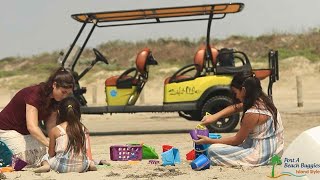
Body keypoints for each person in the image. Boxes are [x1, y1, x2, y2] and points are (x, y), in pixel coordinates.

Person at [195, 72, 284, 166]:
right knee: (219, 146)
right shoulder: (263, 100)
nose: (236, 96)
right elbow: (236, 108)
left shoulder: (252, 113)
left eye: (236, 92)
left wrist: (208, 141)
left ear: (244, 90)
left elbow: (237, 140)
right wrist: (214, 117)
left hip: (261, 155)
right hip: (275, 150)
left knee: (213, 150)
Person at [0, 67, 74, 166]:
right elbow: (32, 127)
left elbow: (51, 126)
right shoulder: (35, 94)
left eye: (68, 93)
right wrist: (50, 145)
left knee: (45, 151)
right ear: (54, 85)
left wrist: (58, 142)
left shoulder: (56, 100)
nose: (65, 96)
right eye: (63, 92)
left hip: (24, 132)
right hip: (6, 129)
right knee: (24, 159)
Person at [34, 96, 97, 173]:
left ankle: (46, 165)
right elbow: (88, 152)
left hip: (60, 166)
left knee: (45, 157)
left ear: (59, 113)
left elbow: (51, 153)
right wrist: (89, 161)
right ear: (78, 112)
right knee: (88, 160)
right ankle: (91, 164)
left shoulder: (55, 130)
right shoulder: (84, 130)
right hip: (81, 167)